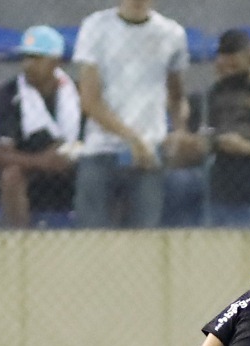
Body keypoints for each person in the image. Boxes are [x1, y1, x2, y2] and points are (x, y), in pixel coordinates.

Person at [163, 29, 250, 228]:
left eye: (233, 61)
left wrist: (244, 147)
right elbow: (191, 139)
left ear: (249, 57)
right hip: (215, 170)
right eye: (224, 61)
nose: (227, 67)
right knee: (177, 183)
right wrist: (190, 144)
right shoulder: (214, 93)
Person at [72, 0, 188, 228]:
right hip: (100, 151)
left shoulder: (172, 34)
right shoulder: (95, 27)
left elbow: (177, 96)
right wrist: (132, 139)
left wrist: (179, 132)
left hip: (149, 157)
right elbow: (89, 100)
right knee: (91, 243)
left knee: (143, 245)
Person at [0, 26, 81, 229]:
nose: (27, 65)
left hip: (70, 175)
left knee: (104, 176)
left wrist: (71, 154)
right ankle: (19, 245)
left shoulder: (78, 93)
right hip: (32, 177)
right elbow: (2, 156)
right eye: (25, 57)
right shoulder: (9, 93)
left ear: (55, 61)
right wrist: (44, 161)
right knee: (11, 175)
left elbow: (91, 141)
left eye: (37, 58)